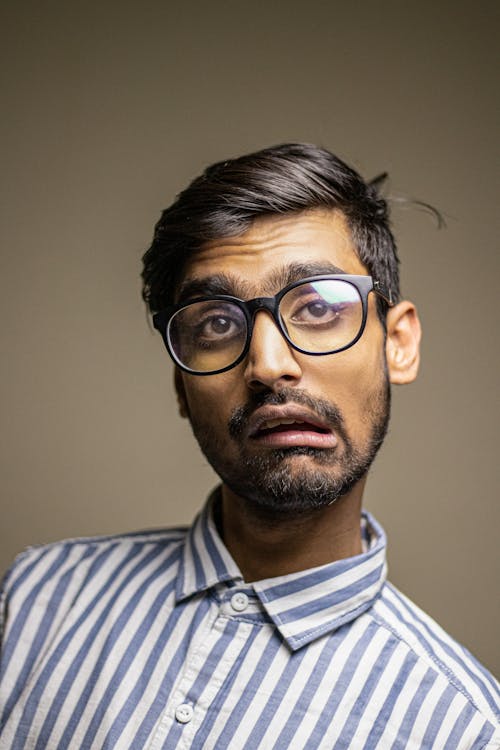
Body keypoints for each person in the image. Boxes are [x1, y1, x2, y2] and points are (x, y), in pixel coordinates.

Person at [0, 144, 498, 750]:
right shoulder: (33, 601)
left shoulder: (461, 727)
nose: (268, 365)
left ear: (398, 343)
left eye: (318, 306)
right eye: (215, 324)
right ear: (181, 384)